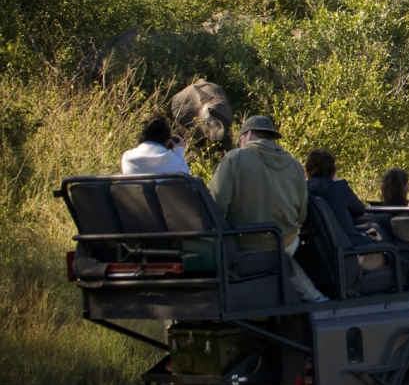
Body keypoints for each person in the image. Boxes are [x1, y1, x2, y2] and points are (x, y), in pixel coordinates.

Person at [209, 115, 326, 302]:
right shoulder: (294, 165)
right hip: (286, 242)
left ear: (247, 135)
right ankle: (313, 298)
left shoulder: (234, 158)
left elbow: (215, 206)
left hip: (246, 242)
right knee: (284, 254)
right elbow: (302, 214)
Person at [304, 149, 383, 263]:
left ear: (307, 169)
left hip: (321, 251)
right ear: (333, 170)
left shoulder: (305, 190)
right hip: (348, 248)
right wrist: (335, 181)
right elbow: (359, 209)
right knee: (387, 244)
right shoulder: (338, 188)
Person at [120, 115, 191, 175]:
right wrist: (179, 153)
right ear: (168, 142)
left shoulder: (127, 157)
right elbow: (186, 180)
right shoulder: (175, 161)